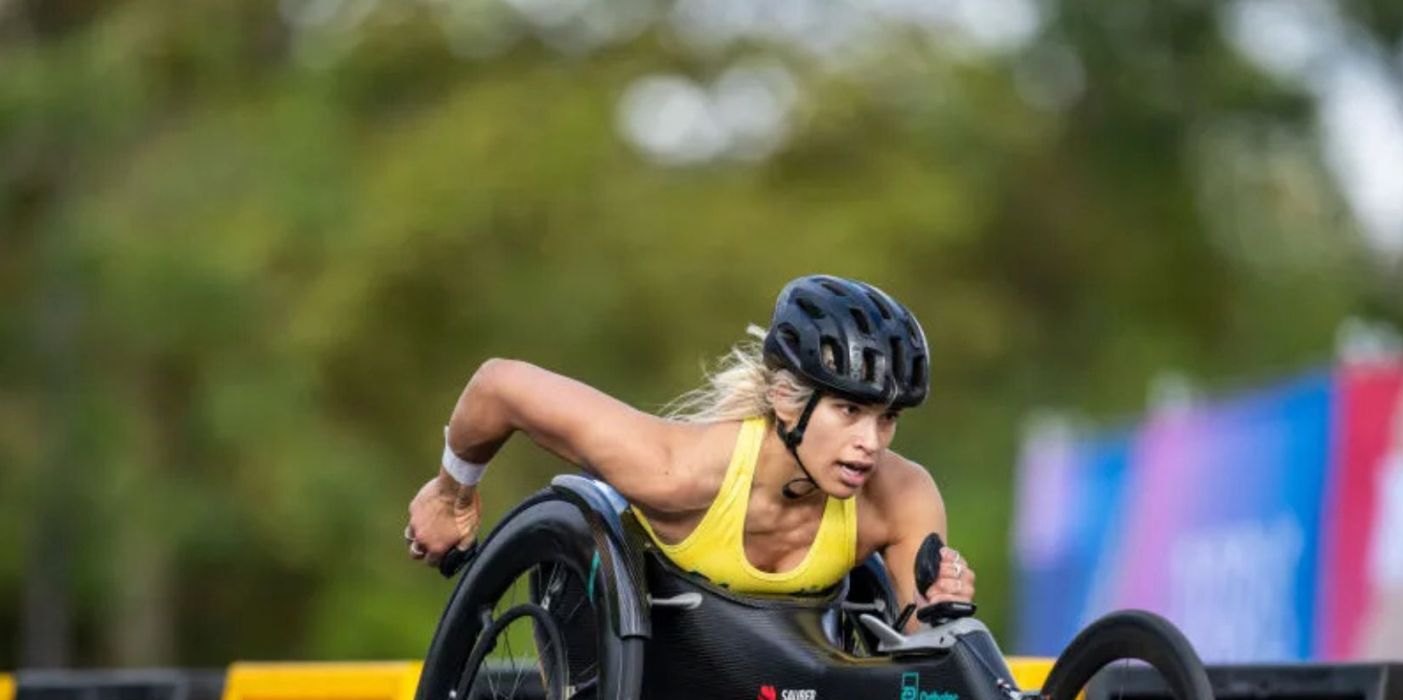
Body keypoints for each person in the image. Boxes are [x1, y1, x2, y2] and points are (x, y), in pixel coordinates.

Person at [404, 274, 975, 623]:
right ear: (785, 399)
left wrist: (942, 610)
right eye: (849, 411)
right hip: (632, 644)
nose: (870, 443)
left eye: (887, 418)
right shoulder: (678, 470)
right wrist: (451, 497)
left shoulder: (902, 496)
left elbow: (921, 652)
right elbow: (499, 385)